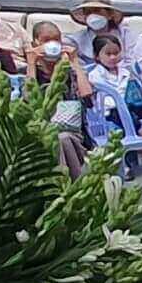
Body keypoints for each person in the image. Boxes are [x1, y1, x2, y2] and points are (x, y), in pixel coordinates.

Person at [29, 21, 96, 175]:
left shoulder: (69, 72)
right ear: (36, 43)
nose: (52, 44)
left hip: (73, 131)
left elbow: (87, 96)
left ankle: (71, 180)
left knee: (63, 138)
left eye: (56, 39)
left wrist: (75, 62)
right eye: (46, 40)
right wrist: (31, 63)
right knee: (57, 138)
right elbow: (28, 98)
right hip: (41, 130)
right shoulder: (32, 72)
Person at [88, 34, 142, 144]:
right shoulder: (95, 75)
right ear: (97, 56)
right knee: (124, 115)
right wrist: (121, 102)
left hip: (132, 104)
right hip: (112, 110)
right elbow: (103, 101)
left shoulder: (126, 71)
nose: (113, 57)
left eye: (116, 53)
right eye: (108, 54)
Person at [68, 0, 125, 64]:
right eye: (88, 12)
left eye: (97, 11)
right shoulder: (76, 40)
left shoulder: (124, 34)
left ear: (110, 14)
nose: (93, 15)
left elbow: (131, 60)